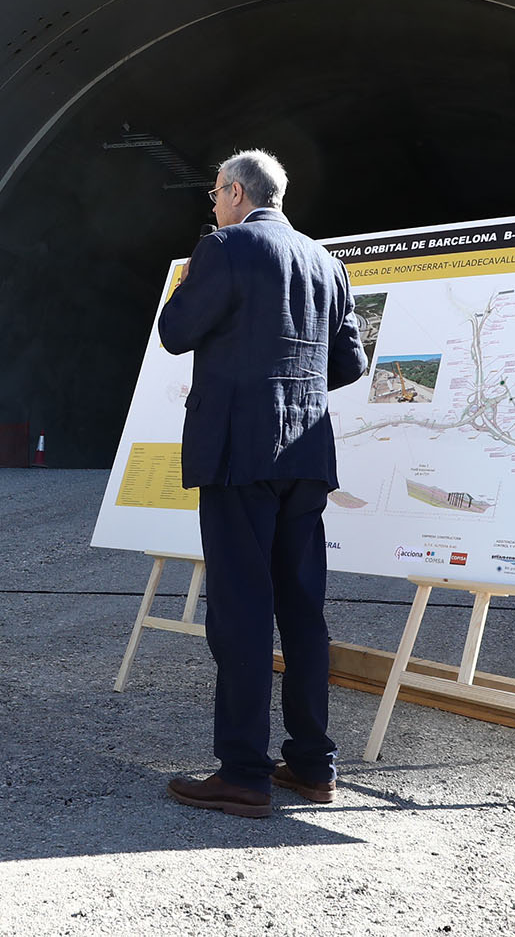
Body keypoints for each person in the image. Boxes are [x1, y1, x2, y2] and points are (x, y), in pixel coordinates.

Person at [156, 150, 365, 819]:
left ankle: (244, 772)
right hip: (306, 456)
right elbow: (350, 362)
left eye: (214, 193)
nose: (211, 204)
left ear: (238, 192)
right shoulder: (326, 261)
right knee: (303, 610)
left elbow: (175, 331)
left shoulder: (224, 248)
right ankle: (313, 763)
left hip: (238, 454)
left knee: (241, 610)